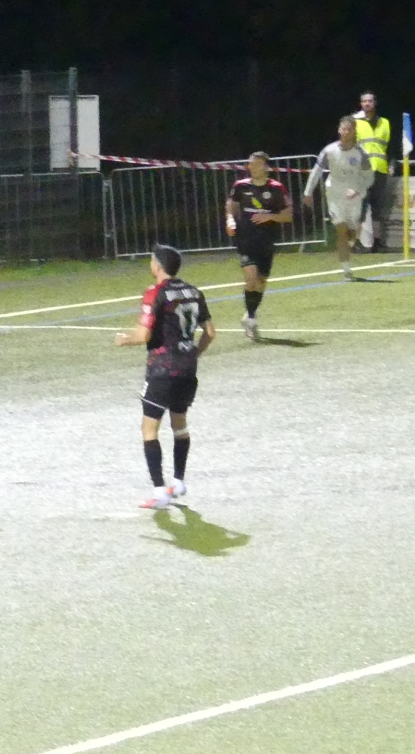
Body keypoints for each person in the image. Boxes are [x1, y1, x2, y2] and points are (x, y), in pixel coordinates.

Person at [113, 243, 214, 510]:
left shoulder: (155, 292)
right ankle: (178, 482)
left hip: (162, 370)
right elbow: (210, 333)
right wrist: (193, 354)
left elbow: (144, 334)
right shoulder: (194, 291)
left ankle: (159, 492)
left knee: (149, 430)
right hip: (187, 370)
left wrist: (125, 339)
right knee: (179, 425)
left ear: (157, 266)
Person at [224, 151, 292, 341]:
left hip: (267, 239)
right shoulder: (240, 186)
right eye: (250, 164)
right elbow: (231, 205)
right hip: (245, 238)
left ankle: (249, 314)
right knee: (251, 278)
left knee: (261, 281)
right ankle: (252, 320)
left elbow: (288, 215)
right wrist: (230, 220)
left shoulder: (277, 188)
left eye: (256, 164)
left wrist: (269, 216)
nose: (252, 167)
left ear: (266, 167)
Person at [304, 115, 374, 279]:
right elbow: (316, 172)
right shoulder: (329, 151)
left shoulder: (361, 153)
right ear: (339, 130)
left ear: (354, 131)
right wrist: (308, 192)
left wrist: (357, 190)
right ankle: (346, 269)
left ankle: (351, 241)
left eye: (349, 129)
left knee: (352, 231)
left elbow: (369, 177)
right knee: (341, 230)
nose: (346, 132)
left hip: (354, 196)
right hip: (334, 194)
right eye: (343, 129)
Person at [352, 92, 393, 250]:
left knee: (378, 207)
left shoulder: (385, 123)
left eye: (370, 101)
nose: (367, 103)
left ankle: (377, 242)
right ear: (361, 104)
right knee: (359, 207)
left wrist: (392, 164)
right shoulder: (355, 122)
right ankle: (356, 242)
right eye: (364, 101)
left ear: (375, 103)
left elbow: (390, 147)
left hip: (380, 169)